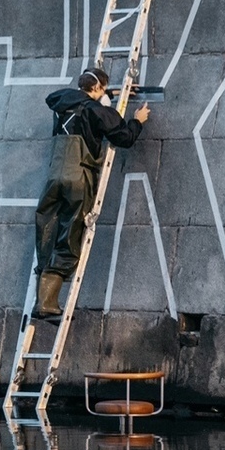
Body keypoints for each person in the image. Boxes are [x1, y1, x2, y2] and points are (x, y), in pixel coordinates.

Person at [33, 67, 150, 320]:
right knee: (70, 234)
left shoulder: (61, 103)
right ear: (98, 88)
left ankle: (41, 300)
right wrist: (137, 121)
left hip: (54, 176)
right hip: (78, 177)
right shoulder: (96, 111)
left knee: (46, 230)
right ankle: (47, 305)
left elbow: (59, 98)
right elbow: (124, 137)